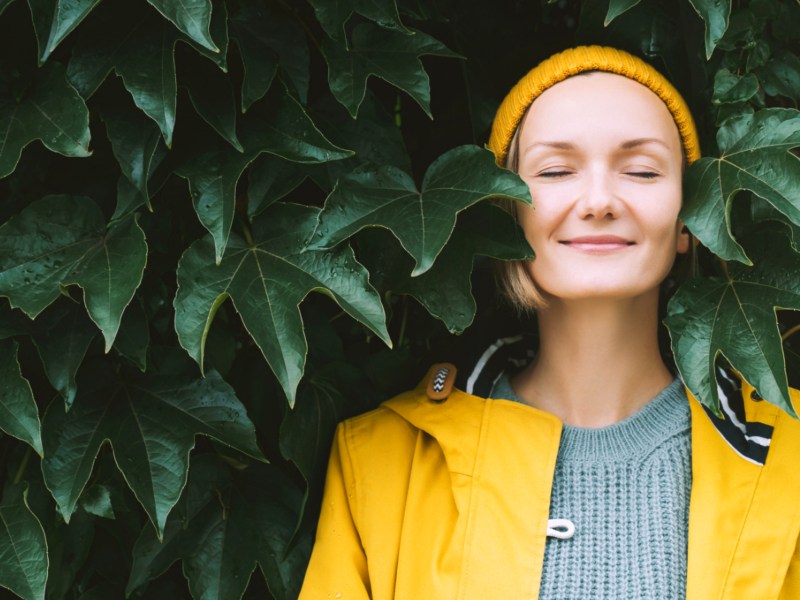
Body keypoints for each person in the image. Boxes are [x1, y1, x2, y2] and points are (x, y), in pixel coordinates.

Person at [298, 46, 800, 599]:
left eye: (642, 170)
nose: (600, 200)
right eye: (557, 170)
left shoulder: (792, 458)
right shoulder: (381, 462)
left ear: (688, 219)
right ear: (507, 214)